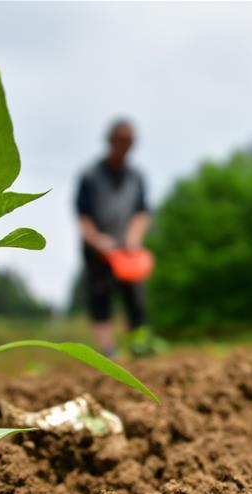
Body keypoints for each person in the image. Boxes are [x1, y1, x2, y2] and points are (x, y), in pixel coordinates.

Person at [76, 118, 151, 357]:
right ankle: (107, 350)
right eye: (120, 141)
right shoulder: (90, 175)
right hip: (98, 248)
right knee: (100, 298)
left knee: (135, 298)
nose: (124, 146)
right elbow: (83, 216)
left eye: (128, 142)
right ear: (110, 141)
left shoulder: (137, 177)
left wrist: (134, 236)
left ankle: (138, 345)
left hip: (127, 250)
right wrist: (97, 240)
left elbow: (142, 212)